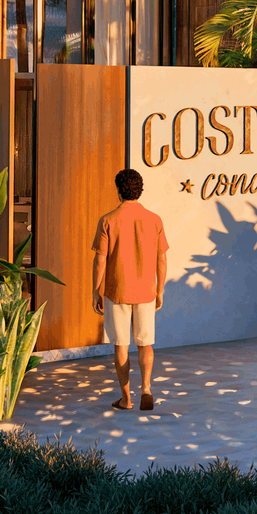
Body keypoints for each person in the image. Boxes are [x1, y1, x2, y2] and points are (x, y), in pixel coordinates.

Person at [90, 166, 167, 411]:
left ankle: (126, 399)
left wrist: (96, 290)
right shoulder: (154, 219)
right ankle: (146, 388)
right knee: (145, 344)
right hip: (146, 290)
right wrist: (160, 289)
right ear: (139, 190)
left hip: (117, 291)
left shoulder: (109, 220)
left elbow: (100, 259)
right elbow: (162, 259)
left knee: (121, 346)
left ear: (119, 191)